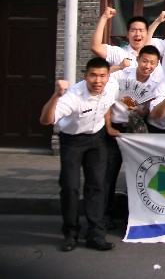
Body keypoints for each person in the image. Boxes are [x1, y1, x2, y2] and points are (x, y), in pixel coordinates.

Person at [39, 57, 119, 252]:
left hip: (97, 139)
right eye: (93, 75)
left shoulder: (112, 87)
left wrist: (108, 126)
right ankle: (70, 233)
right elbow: (45, 120)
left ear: (108, 77)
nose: (98, 81)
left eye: (102, 76)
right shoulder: (73, 96)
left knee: (97, 185)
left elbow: (107, 106)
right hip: (72, 141)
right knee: (70, 186)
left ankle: (96, 234)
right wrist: (56, 95)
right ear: (85, 76)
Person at [103, 45, 162, 228]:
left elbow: (148, 111)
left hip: (136, 131)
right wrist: (108, 127)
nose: (147, 66)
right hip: (115, 129)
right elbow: (106, 102)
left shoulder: (156, 85)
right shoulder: (121, 76)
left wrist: (140, 110)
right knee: (109, 173)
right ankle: (104, 215)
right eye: (144, 61)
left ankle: (134, 215)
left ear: (157, 64)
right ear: (138, 60)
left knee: (138, 174)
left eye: (152, 63)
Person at [89, 7, 159, 77]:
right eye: (133, 30)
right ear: (127, 34)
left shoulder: (153, 59)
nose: (137, 34)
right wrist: (104, 17)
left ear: (147, 34)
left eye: (141, 30)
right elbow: (95, 47)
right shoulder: (119, 53)